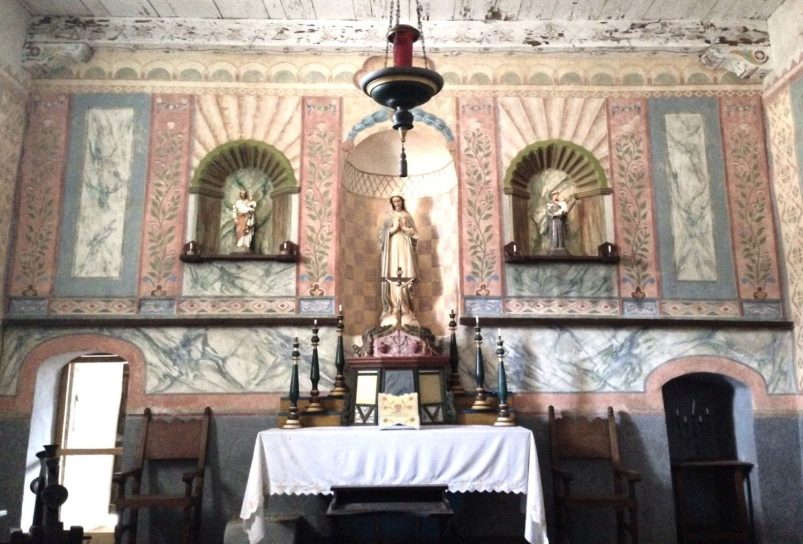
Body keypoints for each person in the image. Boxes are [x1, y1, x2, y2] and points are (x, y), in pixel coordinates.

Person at [379, 195, 419, 327]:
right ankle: (394, 307)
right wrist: (394, 229)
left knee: (406, 272)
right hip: (392, 248)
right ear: (392, 203)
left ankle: (406, 308)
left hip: (405, 246)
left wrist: (404, 228)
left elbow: (415, 234)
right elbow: (381, 235)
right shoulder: (389, 216)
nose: (397, 203)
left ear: (402, 201)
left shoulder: (407, 216)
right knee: (393, 275)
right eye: (394, 201)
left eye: (399, 200)